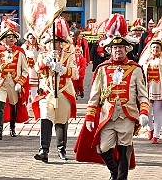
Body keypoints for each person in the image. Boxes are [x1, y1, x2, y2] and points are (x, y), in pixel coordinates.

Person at [74, 13, 149, 180]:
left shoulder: (135, 69)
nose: (118, 50)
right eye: (115, 48)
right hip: (107, 116)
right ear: (110, 50)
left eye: (121, 47)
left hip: (127, 116)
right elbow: (94, 96)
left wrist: (144, 113)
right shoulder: (102, 69)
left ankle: (121, 177)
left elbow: (144, 96)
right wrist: (88, 117)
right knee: (104, 148)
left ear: (126, 49)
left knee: (124, 148)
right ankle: (114, 172)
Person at [32, 16, 78, 163]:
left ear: (61, 43)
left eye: (56, 42)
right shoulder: (43, 55)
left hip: (64, 91)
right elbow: (37, 69)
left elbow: (75, 72)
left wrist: (63, 69)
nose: (53, 44)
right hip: (47, 91)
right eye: (51, 42)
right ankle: (43, 150)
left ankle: (61, 149)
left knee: (61, 121)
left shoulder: (69, 56)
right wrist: (45, 62)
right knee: (46, 118)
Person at [0, 19, 29, 140]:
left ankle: (12, 127)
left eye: (12, 37)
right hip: (2, 82)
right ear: (4, 39)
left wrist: (20, 83)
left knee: (13, 104)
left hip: (14, 82)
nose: (11, 39)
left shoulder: (20, 52)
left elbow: (25, 70)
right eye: (8, 37)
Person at [141, 38, 162, 144]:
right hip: (147, 88)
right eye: (153, 47)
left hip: (159, 88)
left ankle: (156, 135)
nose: (155, 49)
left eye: (157, 47)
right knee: (147, 112)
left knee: (157, 113)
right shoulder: (146, 61)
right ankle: (151, 128)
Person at [21, 30, 44, 116]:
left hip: (36, 72)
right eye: (31, 38)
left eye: (34, 38)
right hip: (27, 72)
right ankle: (26, 112)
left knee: (35, 92)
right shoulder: (24, 47)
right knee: (26, 92)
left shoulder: (40, 48)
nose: (32, 40)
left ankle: (35, 111)